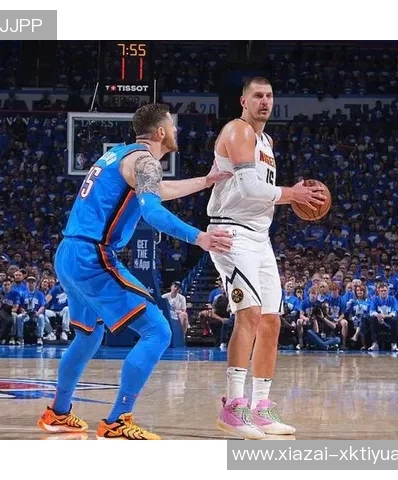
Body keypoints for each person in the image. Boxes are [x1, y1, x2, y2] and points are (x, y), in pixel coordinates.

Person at [37, 103, 233, 440]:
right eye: (172, 125)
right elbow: (152, 212)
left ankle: (58, 412)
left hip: (69, 253)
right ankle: (117, 420)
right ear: (161, 131)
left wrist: (206, 181)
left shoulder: (119, 154)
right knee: (158, 331)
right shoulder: (145, 161)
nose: (176, 131)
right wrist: (199, 237)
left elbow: (157, 191)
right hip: (92, 256)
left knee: (88, 335)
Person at [206, 77, 326, 439]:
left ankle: (261, 408)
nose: (265, 101)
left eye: (270, 96)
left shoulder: (266, 142)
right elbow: (249, 188)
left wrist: (291, 196)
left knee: (272, 320)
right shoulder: (238, 131)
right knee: (250, 314)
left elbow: (262, 192)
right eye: (258, 95)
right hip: (231, 233)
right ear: (243, 100)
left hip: (259, 237)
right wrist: (293, 194)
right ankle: (233, 407)